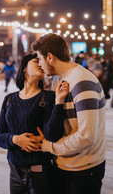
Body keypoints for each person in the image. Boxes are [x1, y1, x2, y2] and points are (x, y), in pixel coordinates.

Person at [32, 34, 106, 194]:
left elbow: (87, 136)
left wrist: (49, 147)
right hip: (64, 165)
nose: (39, 64)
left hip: (83, 170)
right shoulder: (59, 80)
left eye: (39, 58)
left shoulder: (82, 81)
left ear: (50, 57)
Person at [0, 53, 69, 194]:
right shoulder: (9, 100)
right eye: (37, 61)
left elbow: (53, 135)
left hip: (40, 172)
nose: (41, 65)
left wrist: (59, 102)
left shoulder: (48, 97)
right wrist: (15, 139)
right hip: (14, 171)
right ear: (24, 68)